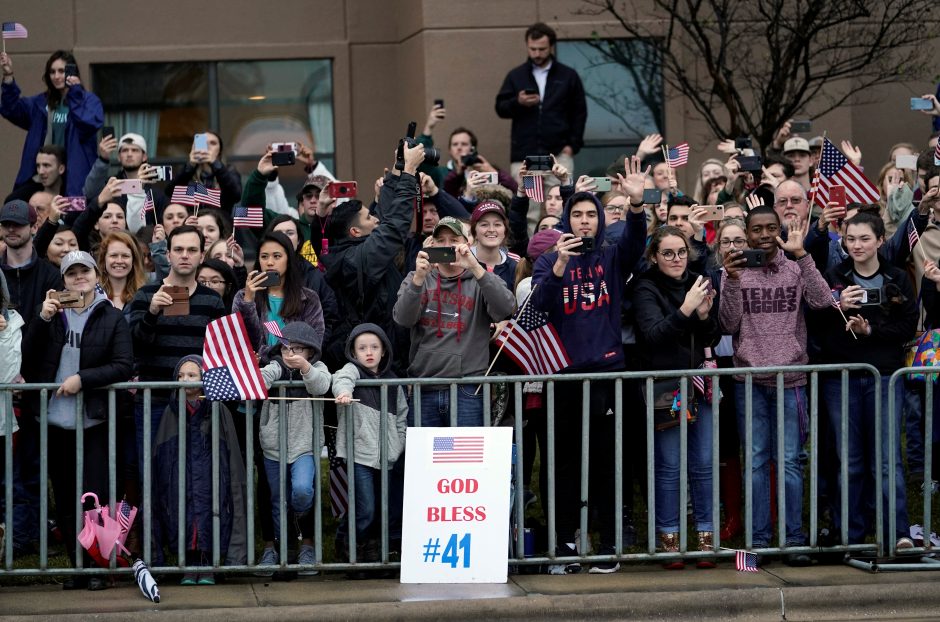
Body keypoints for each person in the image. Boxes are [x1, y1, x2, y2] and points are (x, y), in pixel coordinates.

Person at [530, 156, 648, 574]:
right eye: (576, 215)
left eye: (590, 215)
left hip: (606, 374)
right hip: (563, 375)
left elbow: (637, 246)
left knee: (605, 462)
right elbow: (539, 311)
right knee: (562, 463)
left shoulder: (612, 256)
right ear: (566, 219)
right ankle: (562, 543)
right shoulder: (549, 260)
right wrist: (559, 267)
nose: (584, 221)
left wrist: (636, 206)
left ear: (599, 220)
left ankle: (608, 543)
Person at [719, 206, 833, 565]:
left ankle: (794, 539)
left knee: (790, 463)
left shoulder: (796, 265)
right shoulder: (735, 271)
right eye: (757, 229)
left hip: (791, 379)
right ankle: (760, 541)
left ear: (780, 231)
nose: (764, 235)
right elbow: (727, 322)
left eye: (771, 228)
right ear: (747, 234)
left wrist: (803, 256)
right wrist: (733, 280)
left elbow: (822, 301)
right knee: (755, 462)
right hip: (749, 380)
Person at [21, 251, 133, 590]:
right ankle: (77, 568)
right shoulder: (51, 315)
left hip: (94, 422)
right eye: (71, 274)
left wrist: (83, 379)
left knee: (94, 499)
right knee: (67, 498)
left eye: (84, 271)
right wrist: (41, 318)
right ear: (63, 279)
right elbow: (25, 357)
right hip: (54, 423)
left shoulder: (111, 317)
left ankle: (97, 568)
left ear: (95, 275)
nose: (78, 278)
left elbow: (124, 365)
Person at [815, 211, 915, 550]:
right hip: (842, 378)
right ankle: (851, 537)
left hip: (886, 376)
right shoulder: (834, 276)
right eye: (851, 238)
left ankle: (897, 534)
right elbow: (820, 334)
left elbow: (906, 327)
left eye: (864, 238)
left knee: (886, 461)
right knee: (851, 462)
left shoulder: (897, 277)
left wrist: (870, 329)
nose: (857, 245)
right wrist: (836, 306)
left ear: (880, 241)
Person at [634, 226, 720, 568]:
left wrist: (702, 314)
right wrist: (686, 309)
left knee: (703, 462)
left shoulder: (699, 281)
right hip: (667, 385)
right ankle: (668, 537)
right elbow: (655, 335)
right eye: (667, 253)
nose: (676, 259)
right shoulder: (645, 286)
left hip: (699, 380)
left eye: (681, 252)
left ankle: (706, 536)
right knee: (669, 465)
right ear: (655, 256)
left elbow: (712, 334)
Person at [393, 216, 516, 427]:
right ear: (431, 245)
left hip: (468, 387)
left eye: (454, 239)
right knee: (426, 459)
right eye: (440, 240)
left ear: (467, 244)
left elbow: (506, 309)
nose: (447, 245)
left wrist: (475, 267)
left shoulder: (481, 277)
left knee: (466, 459)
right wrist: (419, 279)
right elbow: (403, 319)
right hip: (424, 386)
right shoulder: (417, 277)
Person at [127, 225, 226, 475]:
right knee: (152, 476)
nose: (185, 255)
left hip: (198, 404)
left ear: (202, 256)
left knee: (197, 476)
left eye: (192, 250)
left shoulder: (212, 300)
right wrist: (151, 312)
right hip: (154, 402)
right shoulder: (145, 294)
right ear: (168, 254)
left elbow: (218, 355)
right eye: (178, 249)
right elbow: (135, 347)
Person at [322, 141, 424, 373]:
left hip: (383, 352)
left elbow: (383, 220)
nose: (375, 217)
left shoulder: (352, 250)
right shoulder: (357, 259)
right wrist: (409, 173)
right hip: (377, 363)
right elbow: (393, 227)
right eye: (369, 217)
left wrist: (396, 175)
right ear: (355, 232)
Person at [152, 355, 247, 583]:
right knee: (184, 509)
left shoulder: (219, 410)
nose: (186, 380)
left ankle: (208, 562)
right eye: (181, 375)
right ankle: (188, 562)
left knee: (208, 509)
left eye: (192, 375)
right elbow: (160, 464)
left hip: (212, 480)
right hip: (182, 481)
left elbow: (233, 462)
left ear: (205, 379)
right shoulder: (170, 412)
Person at [257, 322, 331, 575]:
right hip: (273, 447)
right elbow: (260, 381)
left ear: (310, 352)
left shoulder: (317, 368)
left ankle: (301, 528)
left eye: (300, 349)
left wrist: (306, 369)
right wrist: (266, 372)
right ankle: (281, 551)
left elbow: (320, 386)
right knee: (277, 501)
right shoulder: (276, 366)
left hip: (304, 447)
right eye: (288, 349)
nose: (293, 354)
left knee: (301, 490)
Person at [333, 323, 409, 562]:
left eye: (374, 347)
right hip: (360, 454)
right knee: (365, 507)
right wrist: (344, 392)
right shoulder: (353, 372)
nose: (369, 352)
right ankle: (350, 548)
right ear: (353, 353)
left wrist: (398, 444)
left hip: (387, 455)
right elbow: (342, 378)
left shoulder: (393, 381)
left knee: (378, 508)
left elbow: (402, 418)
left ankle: (369, 550)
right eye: (362, 348)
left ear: (383, 351)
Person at [0, 51, 103, 198]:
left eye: (61, 71)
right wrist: (8, 76)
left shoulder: (88, 101)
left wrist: (75, 93)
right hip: (43, 174)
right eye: (52, 72)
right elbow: (11, 110)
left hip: (74, 177)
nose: (56, 76)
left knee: (69, 217)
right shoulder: (40, 102)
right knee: (14, 203)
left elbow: (89, 124)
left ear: (72, 72)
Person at [495, 22, 587, 184]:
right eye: (532, 49)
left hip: (558, 156)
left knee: (561, 205)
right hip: (526, 159)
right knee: (529, 207)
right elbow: (500, 108)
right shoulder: (516, 76)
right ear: (527, 46)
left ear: (551, 46)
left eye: (542, 49)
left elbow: (579, 113)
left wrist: (572, 147)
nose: (537, 54)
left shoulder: (568, 76)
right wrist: (518, 102)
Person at [233, 232, 324, 355]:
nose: (270, 262)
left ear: (288, 259)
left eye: (277, 256)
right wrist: (248, 302)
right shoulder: (242, 297)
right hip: (257, 370)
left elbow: (313, 343)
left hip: (295, 369)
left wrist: (272, 355)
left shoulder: (308, 298)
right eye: (264, 257)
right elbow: (242, 344)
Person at [166, 131, 242, 210]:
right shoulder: (188, 172)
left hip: (219, 220)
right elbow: (170, 193)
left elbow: (235, 195)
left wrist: (215, 164)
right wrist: (191, 165)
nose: (207, 146)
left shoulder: (229, 170)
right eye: (203, 143)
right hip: (193, 220)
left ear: (219, 151)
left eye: (212, 143)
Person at [97, 231, 146, 311]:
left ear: (133, 260)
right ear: (103, 260)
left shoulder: (144, 295)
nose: (119, 261)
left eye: (125, 256)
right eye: (113, 255)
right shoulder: (93, 296)